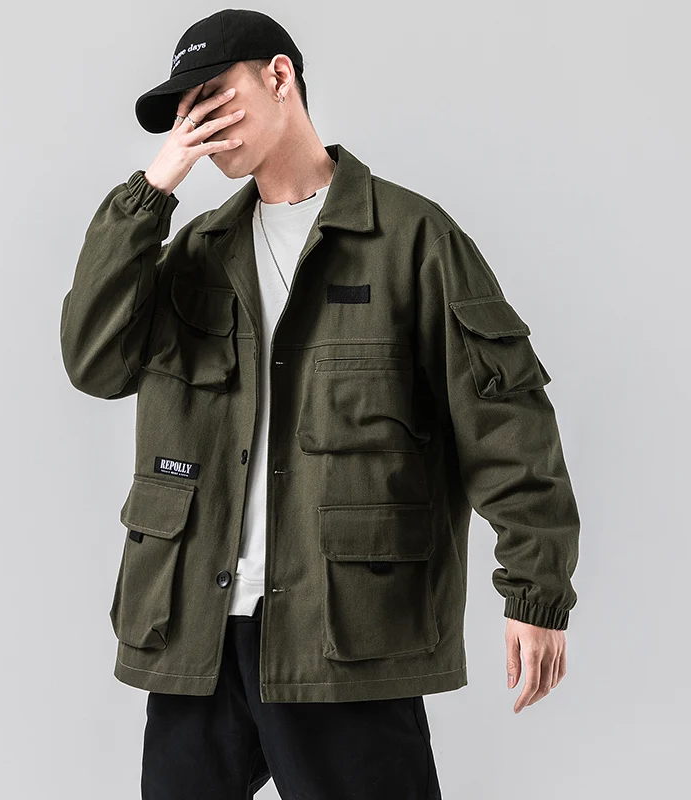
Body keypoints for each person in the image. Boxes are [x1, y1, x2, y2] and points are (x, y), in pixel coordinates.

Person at [59, 8, 581, 800]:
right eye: (184, 110)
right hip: (197, 628)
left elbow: (507, 421)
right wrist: (151, 189)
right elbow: (94, 361)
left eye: (213, 97)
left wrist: (536, 592)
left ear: (280, 77)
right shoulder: (194, 253)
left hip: (341, 635)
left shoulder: (410, 239)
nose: (198, 125)